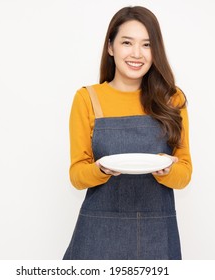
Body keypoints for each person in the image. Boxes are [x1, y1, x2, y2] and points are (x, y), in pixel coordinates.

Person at [63, 6, 192, 260]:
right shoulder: (88, 98)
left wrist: (168, 169)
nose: (137, 54)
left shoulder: (172, 99)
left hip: (157, 234)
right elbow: (77, 175)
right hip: (98, 233)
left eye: (146, 44)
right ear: (110, 47)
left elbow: (184, 173)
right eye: (127, 42)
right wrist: (100, 170)